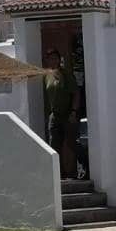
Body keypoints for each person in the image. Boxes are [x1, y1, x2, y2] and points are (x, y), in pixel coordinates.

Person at [43, 48, 77, 180]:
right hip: (54, 116)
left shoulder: (66, 74)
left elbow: (75, 93)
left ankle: (74, 172)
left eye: (55, 58)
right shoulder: (46, 75)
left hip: (68, 114)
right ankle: (59, 175)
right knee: (54, 145)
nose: (52, 60)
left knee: (70, 144)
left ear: (59, 59)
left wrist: (73, 112)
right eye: (50, 58)